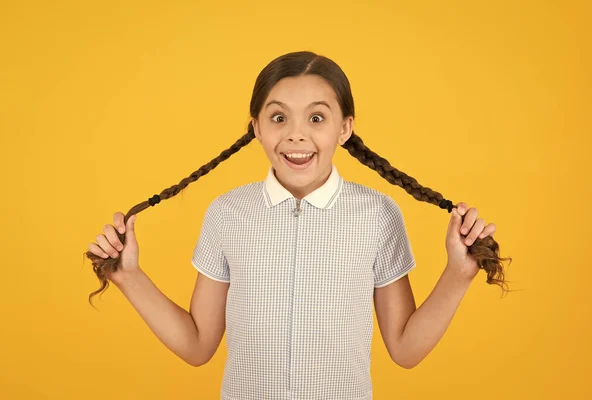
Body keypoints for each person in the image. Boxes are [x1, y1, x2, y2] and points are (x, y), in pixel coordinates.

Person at [86, 51, 511, 400]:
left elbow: (405, 348)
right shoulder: (227, 213)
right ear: (255, 127)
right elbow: (198, 345)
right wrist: (129, 277)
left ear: (345, 128)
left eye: (316, 118)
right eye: (278, 118)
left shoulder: (377, 215)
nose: (295, 135)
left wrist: (459, 272)